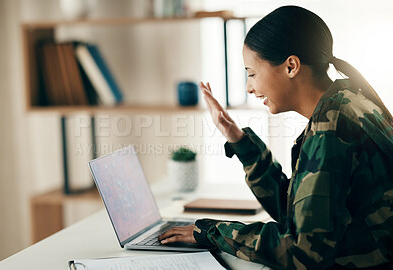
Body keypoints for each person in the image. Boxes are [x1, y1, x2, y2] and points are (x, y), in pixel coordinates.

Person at [159, 5, 393, 270]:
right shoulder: (348, 102)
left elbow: (302, 254)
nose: (249, 87)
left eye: (251, 73)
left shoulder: (333, 129)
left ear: (291, 66)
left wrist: (211, 232)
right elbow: (296, 215)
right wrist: (238, 140)